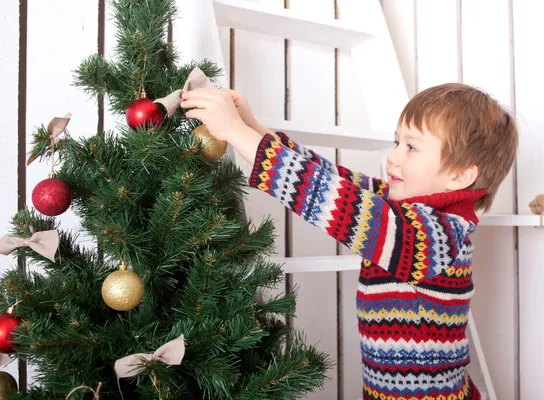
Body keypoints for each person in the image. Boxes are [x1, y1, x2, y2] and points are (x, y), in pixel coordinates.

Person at [181, 83, 518, 400]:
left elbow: (331, 199)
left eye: (411, 147)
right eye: (396, 142)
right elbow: (330, 177)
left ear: (460, 175)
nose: (393, 157)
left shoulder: (435, 236)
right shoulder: (404, 209)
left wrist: (235, 133)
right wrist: (252, 129)